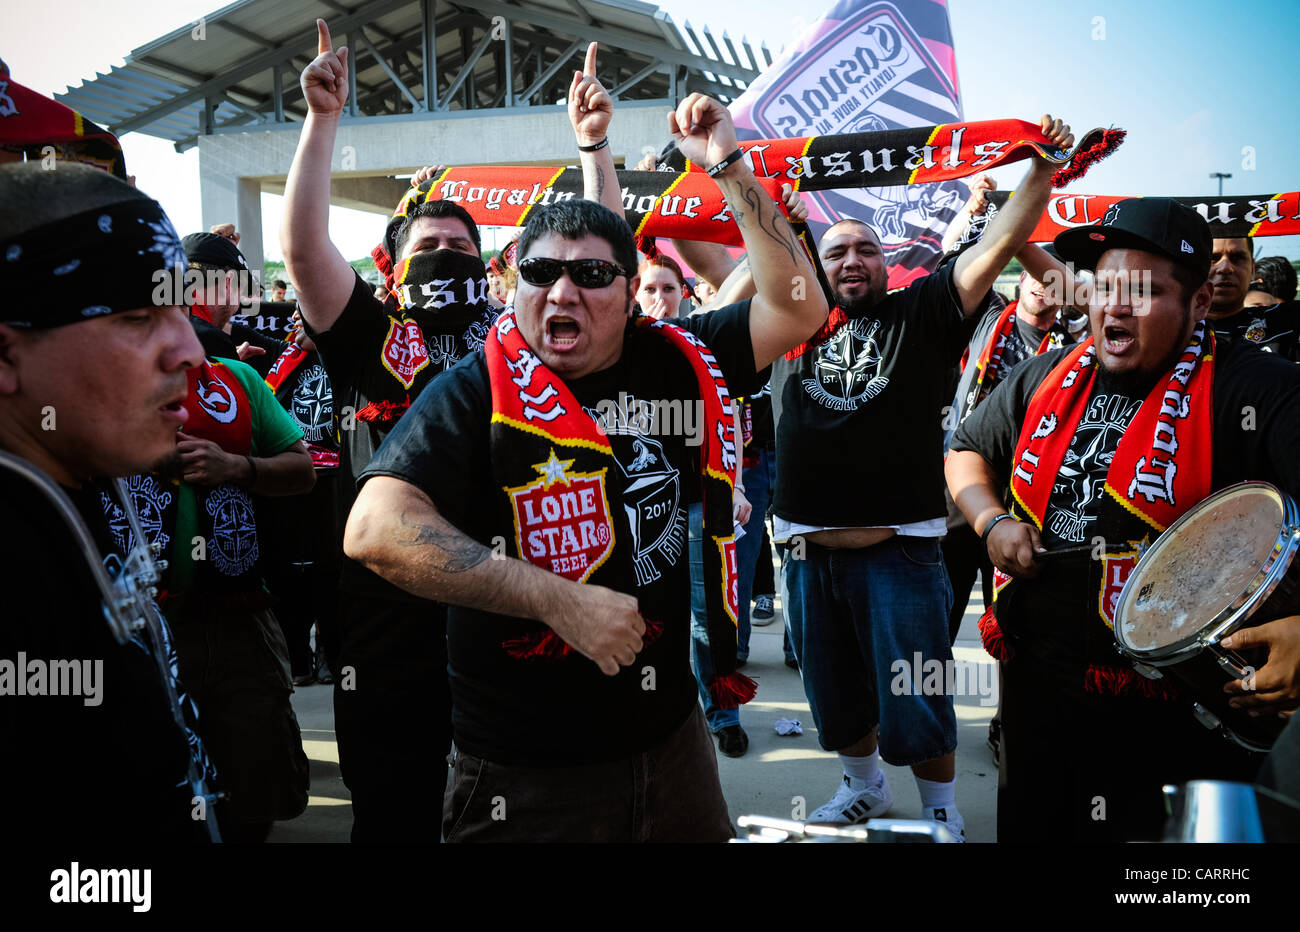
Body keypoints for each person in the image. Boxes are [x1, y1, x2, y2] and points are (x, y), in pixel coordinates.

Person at [344, 81, 828, 841]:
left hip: (673, 744)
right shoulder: (476, 389)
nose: (562, 290)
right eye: (540, 273)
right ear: (513, 285)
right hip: (524, 775)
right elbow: (374, 530)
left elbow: (800, 305)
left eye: (593, 275)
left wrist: (730, 167)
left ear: (631, 294)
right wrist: (554, 600)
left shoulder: (676, 359)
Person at [946, 197, 1300, 841]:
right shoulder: (1043, 376)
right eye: (1107, 285)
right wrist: (991, 522)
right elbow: (967, 451)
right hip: (1039, 695)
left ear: (1197, 305)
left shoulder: (1262, 391)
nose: (1118, 304)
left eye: (1146, 291)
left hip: (1182, 711)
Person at [281, 19, 508, 843]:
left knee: (498, 796)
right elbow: (305, 253)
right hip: (381, 612)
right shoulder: (370, 337)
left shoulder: (514, 345)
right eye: (429, 247)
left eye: (460, 248)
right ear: (394, 268)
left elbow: (607, 288)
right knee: (391, 799)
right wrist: (323, 121)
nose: (445, 256)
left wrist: (591, 152)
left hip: (499, 593)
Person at [0, 161, 216, 842]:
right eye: (136, 315)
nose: (190, 351)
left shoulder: (85, 474)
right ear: (5, 356)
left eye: (183, 310)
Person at [636, 254, 687, 319]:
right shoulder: (621, 328)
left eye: (668, 288)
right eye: (650, 289)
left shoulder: (694, 327)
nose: (659, 299)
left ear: (682, 291)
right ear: (636, 293)